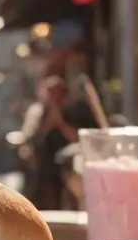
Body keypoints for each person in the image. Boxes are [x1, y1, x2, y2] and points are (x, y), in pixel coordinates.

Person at [27, 75, 96, 209]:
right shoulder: (44, 111)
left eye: (53, 93)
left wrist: (60, 123)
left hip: (68, 169)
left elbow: (79, 138)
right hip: (45, 170)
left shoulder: (75, 110)